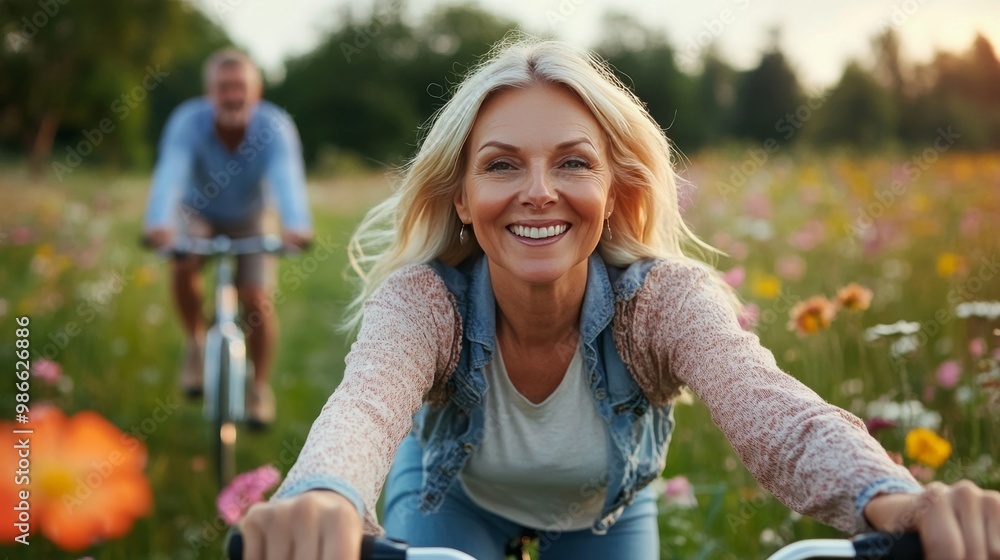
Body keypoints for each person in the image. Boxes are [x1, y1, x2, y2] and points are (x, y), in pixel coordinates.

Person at [239, 38, 1000, 559]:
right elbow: (362, 410)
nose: (539, 193)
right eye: (502, 166)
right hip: (450, 495)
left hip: (603, 512)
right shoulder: (424, 301)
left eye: (572, 162)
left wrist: (897, 501)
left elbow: (774, 412)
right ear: (464, 199)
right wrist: (325, 500)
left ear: (613, 192)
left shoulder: (662, 303)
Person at [143, 48, 312, 427]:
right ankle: (195, 343)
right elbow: (172, 170)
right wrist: (159, 222)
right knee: (183, 261)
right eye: (223, 87)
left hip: (251, 214)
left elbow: (287, 177)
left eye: (240, 87)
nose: (232, 95)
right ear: (210, 92)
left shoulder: (275, 126)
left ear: (257, 93)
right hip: (198, 210)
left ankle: (259, 387)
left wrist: (296, 225)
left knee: (256, 298)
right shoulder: (188, 121)